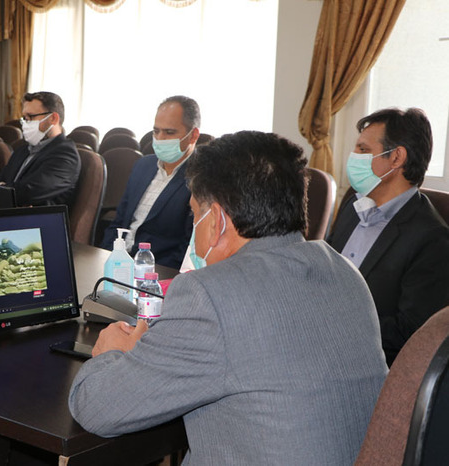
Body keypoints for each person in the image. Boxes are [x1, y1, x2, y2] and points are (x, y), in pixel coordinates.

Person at [69, 131, 388, 464]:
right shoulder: (346, 273)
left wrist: (112, 352)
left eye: (195, 214)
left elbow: (95, 408)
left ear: (217, 220)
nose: (194, 226)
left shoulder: (210, 294)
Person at [327, 107, 449, 366]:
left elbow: (411, 331)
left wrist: (333, 323)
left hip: (365, 364)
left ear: (396, 158)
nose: (353, 157)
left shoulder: (432, 239)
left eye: (363, 150)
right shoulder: (353, 205)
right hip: (318, 344)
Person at [99, 96, 199, 269]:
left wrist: (150, 273)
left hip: (157, 271)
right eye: (156, 131)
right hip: (117, 262)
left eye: (169, 132)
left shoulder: (201, 177)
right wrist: (106, 257)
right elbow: (119, 222)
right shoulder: (143, 165)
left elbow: (187, 248)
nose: (159, 138)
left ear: (193, 136)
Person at [0, 92, 80, 207]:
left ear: (53, 118)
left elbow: (27, 193)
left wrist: (1, 188)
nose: (25, 123)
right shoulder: (23, 150)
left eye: (31, 117)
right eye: (25, 118)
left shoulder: (66, 155)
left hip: (37, 217)